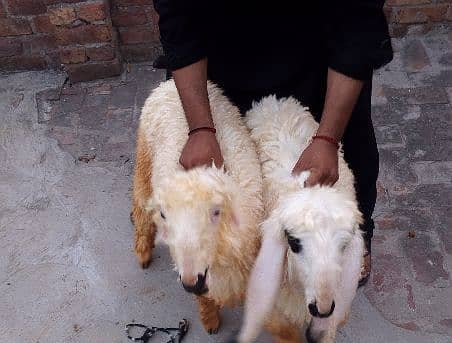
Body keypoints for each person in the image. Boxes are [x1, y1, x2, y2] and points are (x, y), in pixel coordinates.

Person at [153, 1, 393, 285]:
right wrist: (200, 128)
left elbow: (358, 22)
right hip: (221, 52)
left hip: (321, 52)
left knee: (342, 160)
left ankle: (351, 236)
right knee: (225, 170)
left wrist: (328, 138)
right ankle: (246, 245)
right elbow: (179, 19)